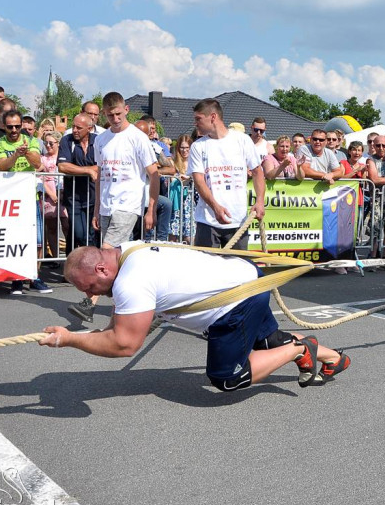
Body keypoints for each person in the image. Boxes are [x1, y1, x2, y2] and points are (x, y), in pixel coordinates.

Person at [41, 244, 351, 390]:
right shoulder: (129, 249)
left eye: (91, 287)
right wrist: (77, 337)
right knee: (268, 341)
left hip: (233, 304)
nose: (93, 294)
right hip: (246, 279)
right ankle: (335, 357)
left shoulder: (130, 281)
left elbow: (124, 345)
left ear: (101, 270)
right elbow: (116, 327)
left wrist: (70, 340)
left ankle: (301, 349)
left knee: (228, 378)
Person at [76, 92, 159, 322]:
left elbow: (154, 174)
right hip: (106, 205)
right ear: (104, 114)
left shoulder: (137, 137)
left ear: (126, 110)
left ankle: (88, 303)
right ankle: (143, 306)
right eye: (110, 115)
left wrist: (150, 208)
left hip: (128, 204)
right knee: (120, 262)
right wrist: (96, 208)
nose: (115, 118)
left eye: (118, 114)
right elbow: (100, 175)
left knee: (105, 253)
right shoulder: (101, 140)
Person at [189, 98, 266, 250]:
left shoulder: (242, 140)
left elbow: (257, 172)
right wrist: (215, 206)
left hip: (238, 219)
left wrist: (260, 201)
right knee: (206, 268)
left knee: (239, 268)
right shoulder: (198, 146)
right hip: (208, 221)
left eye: (198, 119)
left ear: (213, 117)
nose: (195, 123)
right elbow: (199, 181)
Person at [0, 109, 52, 295]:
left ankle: (35, 276)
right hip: (9, 199)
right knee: (14, 240)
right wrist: (15, 155)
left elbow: (37, 163)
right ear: (5, 126)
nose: (14, 130)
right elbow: (2, 165)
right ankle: (17, 278)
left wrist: (26, 152)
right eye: (10, 127)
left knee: (38, 241)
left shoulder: (32, 141)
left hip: (29, 197)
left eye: (18, 126)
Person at [58, 113, 101, 315]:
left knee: (91, 236)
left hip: (94, 198)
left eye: (79, 128)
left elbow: (102, 166)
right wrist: (88, 171)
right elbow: (62, 165)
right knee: (78, 233)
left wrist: (95, 169)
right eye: (73, 127)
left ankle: (89, 274)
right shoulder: (66, 141)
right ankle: (77, 268)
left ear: (89, 129)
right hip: (74, 197)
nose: (74, 130)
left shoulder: (98, 141)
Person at [137, 115, 175, 243]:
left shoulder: (156, 148)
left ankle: (161, 241)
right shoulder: (127, 145)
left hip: (148, 192)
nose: (151, 132)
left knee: (166, 204)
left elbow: (171, 169)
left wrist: (153, 171)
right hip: (132, 194)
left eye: (152, 129)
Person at [40, 131, 65, 259]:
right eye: (46, 143)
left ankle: (70, 256)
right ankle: (55, 257)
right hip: (48, 196)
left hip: (64, 194)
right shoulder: (42, 159)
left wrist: (61, 194)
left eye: (51, 143)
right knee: (51, 227)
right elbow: (40, 179)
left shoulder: (63, 156)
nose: (48, 145)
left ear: (58, 143)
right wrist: (51, 195)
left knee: (67, 226)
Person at [169, 134, 195, 244]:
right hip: (176, 202)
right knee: (173, 234)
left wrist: (190, 178)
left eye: (187, 148)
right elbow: (170, 179)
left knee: (189, 236)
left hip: (190, 202)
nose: (184, 150)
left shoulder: (195, 162)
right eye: (182, 147)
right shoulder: (173, 162)